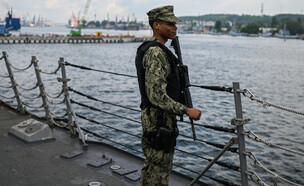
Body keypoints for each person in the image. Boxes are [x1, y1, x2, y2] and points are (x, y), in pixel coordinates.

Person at [135, 5, 201, 186]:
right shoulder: (155, 52)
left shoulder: (155, 50)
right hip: (159, 119)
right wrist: (186, 110)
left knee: (153, 167)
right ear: (156, 25)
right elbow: (156, 95)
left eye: (175, 24)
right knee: (159, 170)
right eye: (169, 23)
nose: (175, 27)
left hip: (158, 118)